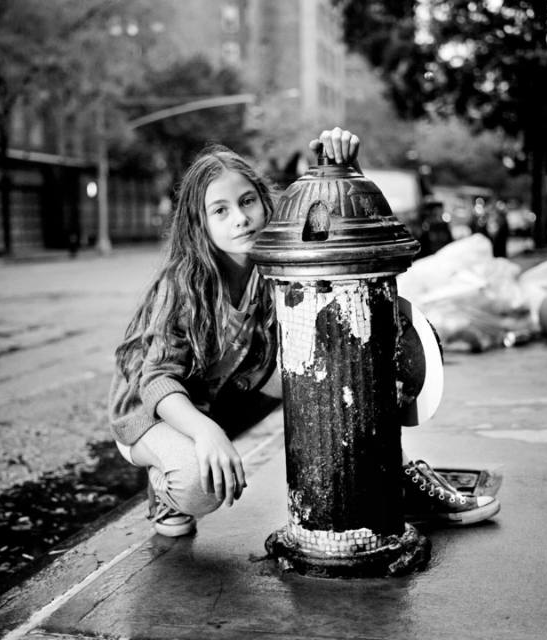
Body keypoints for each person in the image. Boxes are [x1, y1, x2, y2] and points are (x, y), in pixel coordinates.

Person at [108, 127, 500, 537]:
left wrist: (342, 170)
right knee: (197, 486)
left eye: (247, 202)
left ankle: (393, 478)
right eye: (219, 211)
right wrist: (206, 434)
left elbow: (340, 238)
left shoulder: (281, 253)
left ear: (265, 201)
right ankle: (164, 480)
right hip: (151, 408)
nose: (240, 218)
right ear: (199, 224)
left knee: (336, 366)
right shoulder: (185, 283)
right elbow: (156, 380)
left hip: (225, 398)